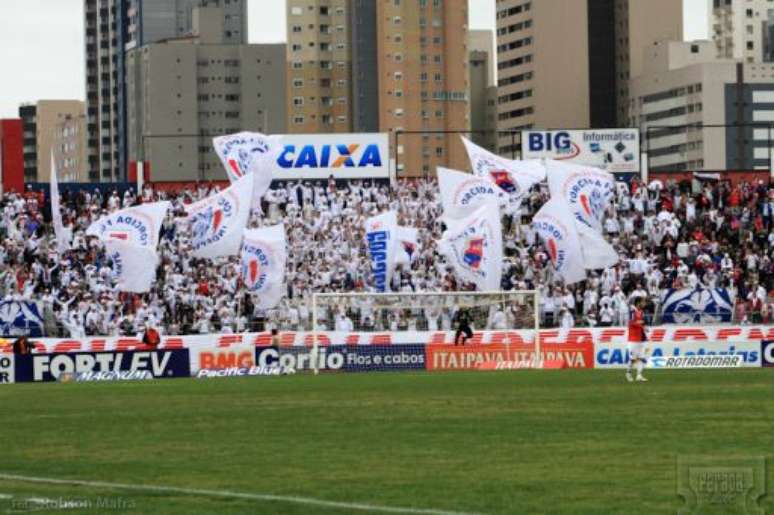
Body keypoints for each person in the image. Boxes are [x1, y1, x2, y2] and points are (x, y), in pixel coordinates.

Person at [626, 298, 648, 382]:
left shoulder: (641, 312)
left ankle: (639, 375)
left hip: (641, 338)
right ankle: (628, 373)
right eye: (643, 302)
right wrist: (641, 323)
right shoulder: (633, 311)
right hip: (633, 339)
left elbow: (641, 323)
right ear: (638, 303)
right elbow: (631, 322)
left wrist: (644, 327)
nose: (644, 303)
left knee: (642, 358)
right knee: (633, 359)